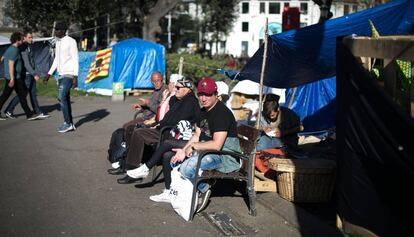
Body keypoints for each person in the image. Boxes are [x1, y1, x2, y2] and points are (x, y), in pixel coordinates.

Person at [163, 78, 241, 212]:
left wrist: (193, 147)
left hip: (224, 156)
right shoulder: (203, 111)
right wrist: (183, 150)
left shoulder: (221, 113)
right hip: (207, 150)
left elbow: (217, 145)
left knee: (187, 168)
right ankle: (175, 192)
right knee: (172, 159)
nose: (203, 98)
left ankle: (203, 189)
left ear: (216, 94)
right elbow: (197, 135)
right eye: (201, 94)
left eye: (208, 94)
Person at [115, 77, 200, 184]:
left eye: (178, 87)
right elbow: (166, 115)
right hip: (163, 128)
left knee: (138, 133)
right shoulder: (178, 99)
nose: (175, 89)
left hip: (170, 133)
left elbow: (174, 121)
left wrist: (158, 124)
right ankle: (127, 164)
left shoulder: (190, 102)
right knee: (131, 129)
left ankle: (132, 170)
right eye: (174, 86)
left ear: (187, 90)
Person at [4, 29, 50, 119]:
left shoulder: (29, 46)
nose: (31, 39)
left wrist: (36, 71)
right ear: (24, 38)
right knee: (22, 95)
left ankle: (37, 111)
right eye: (29, 37)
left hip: (31, 74)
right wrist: (34, 74)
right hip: (26, 75)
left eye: (32, 37)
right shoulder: (23, 47)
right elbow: (26, 63)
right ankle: (9, 110)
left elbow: (32, 61)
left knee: (32, 93)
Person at [46, 22, 79, 133]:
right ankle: (70, 123)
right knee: (65, 99)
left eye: (58, 30)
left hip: (69, 74)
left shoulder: (71, 41)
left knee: (61, 97)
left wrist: (75, 77)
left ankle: (68, 123)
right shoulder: (58, 42)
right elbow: (56, 60)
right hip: (60, 75)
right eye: (55, 29)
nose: (56, 32)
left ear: (64, 30)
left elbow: (75, 59)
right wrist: (49, 74)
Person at [122, 72, 167, 147]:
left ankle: (129, 148)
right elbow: (151, 105)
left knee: (127, 127)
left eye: (158, 80)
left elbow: (161, 110)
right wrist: (142, 107)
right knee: (125, 126)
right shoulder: (156, 90)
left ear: (162, 80)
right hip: (146, 117)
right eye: (153, 81)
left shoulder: (164, 91)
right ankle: (127, 147)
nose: (156, 83)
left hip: (151, 120)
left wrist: (147, 103)